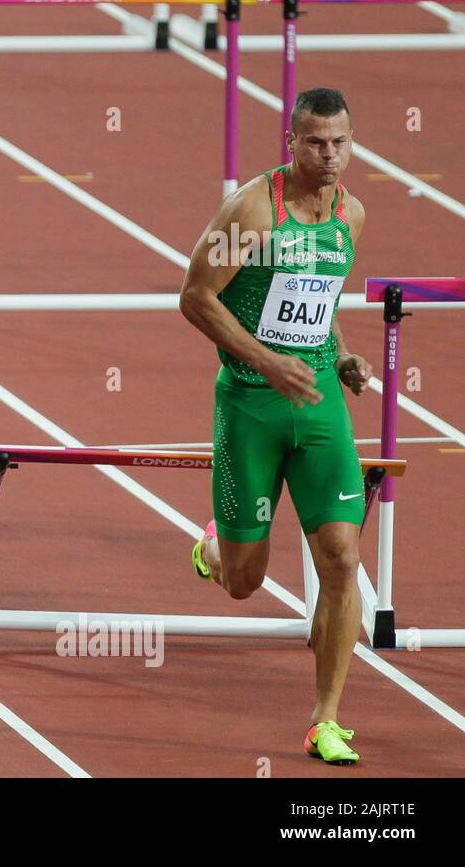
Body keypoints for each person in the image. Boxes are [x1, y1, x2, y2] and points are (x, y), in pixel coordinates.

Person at [179, 88, 373, 765]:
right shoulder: (253, 211)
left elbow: (318, 297)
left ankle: (327, 719)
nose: (330, 155)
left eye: (341, 142)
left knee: (343, 559)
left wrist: (340, 353)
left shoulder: (351, 214)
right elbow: (195, 296)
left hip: (318, 402)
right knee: (244, 581)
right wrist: (269, 362)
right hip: (251, 405)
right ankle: (211, 551)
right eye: (317, 142)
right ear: (291, 141)